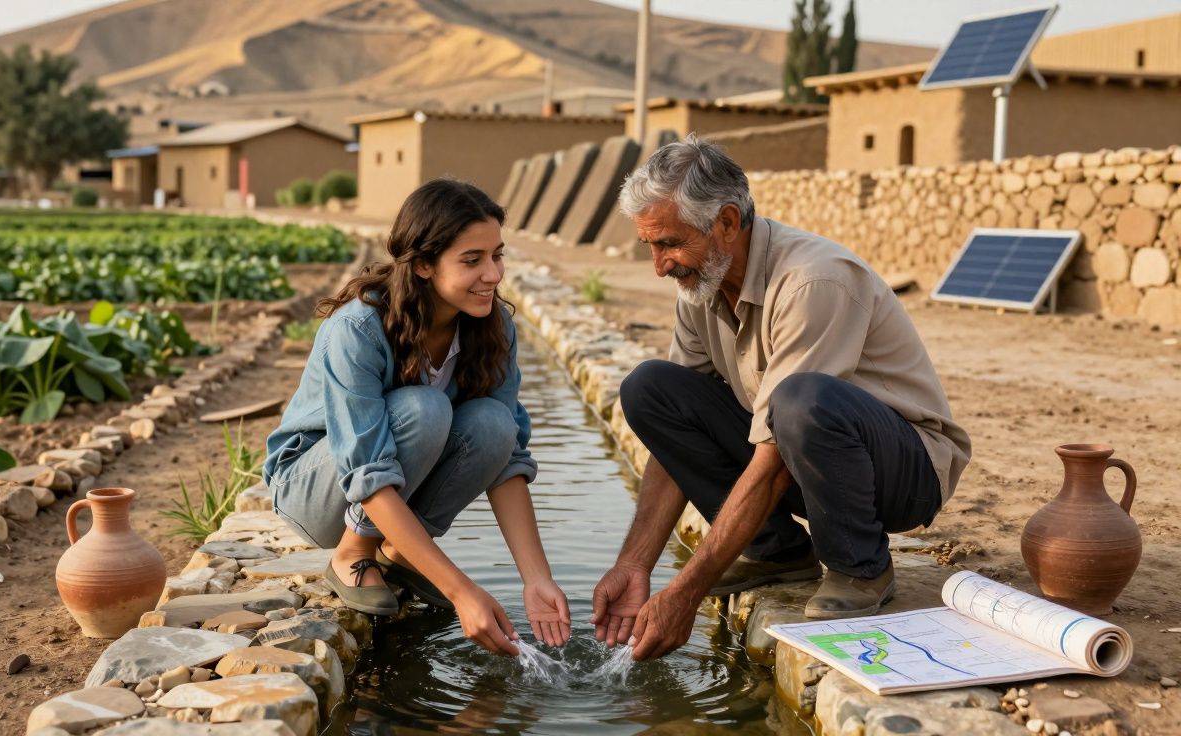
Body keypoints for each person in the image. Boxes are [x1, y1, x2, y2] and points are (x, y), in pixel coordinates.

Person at [590, 136, 971, 661]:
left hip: (900, 474)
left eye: (671, 244)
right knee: (650, 388)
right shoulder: (702, 287)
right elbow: (675, 440)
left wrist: (686, 591)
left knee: (800, 399)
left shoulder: (813, 281)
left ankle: (861, 566)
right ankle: (776, 553)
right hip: (801, 455)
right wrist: (635, 565)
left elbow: (774, 454)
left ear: (726, 223)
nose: (660, 266)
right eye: (651, 247)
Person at [264, 178, 571, 656]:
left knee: (495, 423)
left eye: (497, 255)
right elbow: (366, 471)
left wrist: (537, 580)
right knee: (423, 408)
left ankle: (401, 551)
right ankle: (354, 554)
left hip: (387, 496)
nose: (493, 274)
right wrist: (460, 589)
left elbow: (507, 458)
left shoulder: (493, 325)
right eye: (472, 260)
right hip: (315, 491)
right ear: (424, 264)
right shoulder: (358, 327)